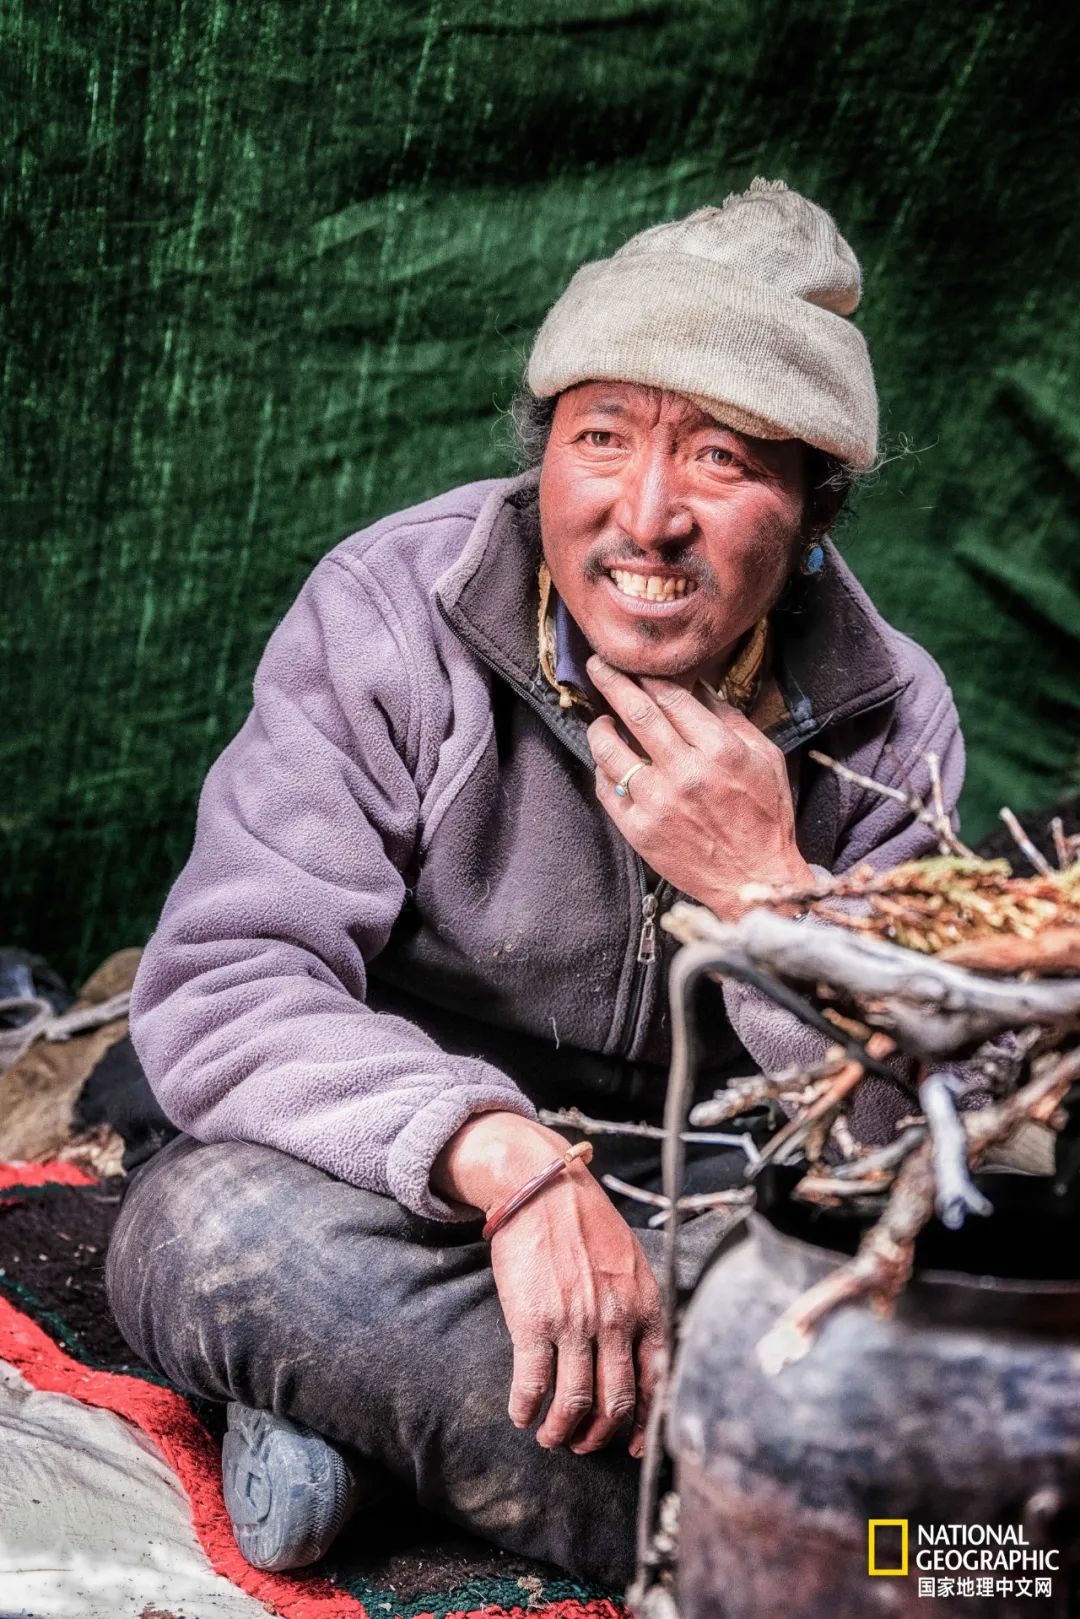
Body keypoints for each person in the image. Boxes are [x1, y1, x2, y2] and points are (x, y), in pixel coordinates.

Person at [105, 179, 963, 1589]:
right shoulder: (394, 614)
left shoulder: (891, 718)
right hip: (407, 1194)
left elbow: (910, 1138)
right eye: (603, 439)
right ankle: (866, 1556)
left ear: (815, 509)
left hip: (717, 1220)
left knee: (975, 1315)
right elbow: (223, 985)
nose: (647, 515)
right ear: (543, 458)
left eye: (725, 458)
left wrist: (773, 903)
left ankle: (374, 1426)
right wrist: (506, 1162)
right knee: (211, 1233)